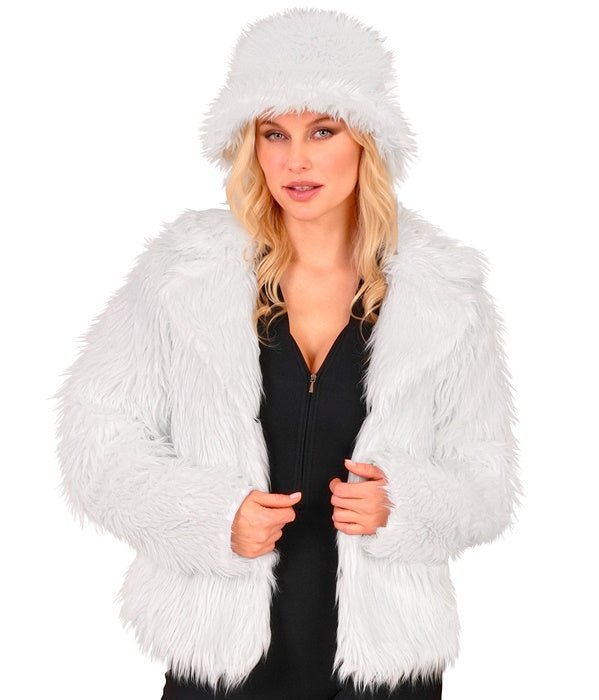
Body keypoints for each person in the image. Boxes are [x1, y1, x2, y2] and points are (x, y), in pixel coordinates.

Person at [52, 8, 523, 700]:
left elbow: (486, 480)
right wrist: (212, 516)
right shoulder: (184, 278)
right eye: (274, 133)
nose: (295, 159)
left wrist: (404, 506)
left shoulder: (443, 296)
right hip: (222, 660)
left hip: (382, 667)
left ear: (366, 142)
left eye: (322, 131)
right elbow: (97, 444)